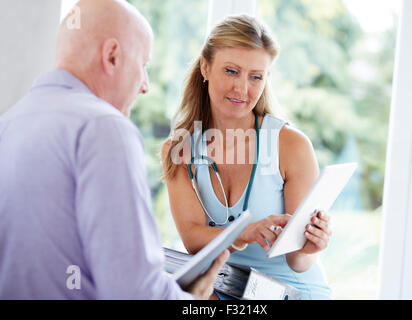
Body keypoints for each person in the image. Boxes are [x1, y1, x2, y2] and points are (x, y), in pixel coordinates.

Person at [0, 0, 229, 300]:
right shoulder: (103, 127)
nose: (145, 85)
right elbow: (133, 292)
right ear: (112, 56)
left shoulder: (10, 121)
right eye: (143, 64)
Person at [162, 14, 332, 300]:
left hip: (293, 293)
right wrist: (246, 232)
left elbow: (299, 262)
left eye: (256, 77)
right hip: (226, 291)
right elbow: (193, 241)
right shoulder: (180, 150)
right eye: (231, 71)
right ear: (205, 67)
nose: (242, 89)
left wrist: (310, 246)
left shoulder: (291, 146)